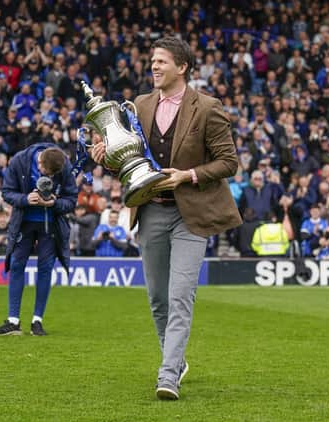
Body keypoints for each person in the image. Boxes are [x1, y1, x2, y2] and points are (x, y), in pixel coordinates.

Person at [90, 36, 241, 400]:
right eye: (153, 61)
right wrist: (107, 157)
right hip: (151, 210)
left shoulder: (207, 107)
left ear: (182, 67)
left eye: (161, 62)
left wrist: (187, 175)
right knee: (158, 298)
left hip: (191, 215)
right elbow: (129, 163)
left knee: (180, 296)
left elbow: (229, 163)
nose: (154, 67)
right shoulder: (139, 105)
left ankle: (168, 374)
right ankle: (176, 359)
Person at [0, 144, 78, 337]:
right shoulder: (20, 160)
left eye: (53, 175)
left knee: (45, 269)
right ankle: (13, 321)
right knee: (16, 264)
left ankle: (37, 321)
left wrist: (54, 203)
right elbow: (6, 192)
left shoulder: (64, 164)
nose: (49, 177)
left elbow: (71, 200)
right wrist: (25, 199)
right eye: (46, 173)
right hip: (23, 223)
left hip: (50, 225)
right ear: (40, 162)